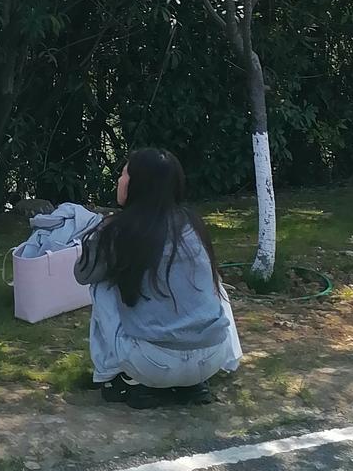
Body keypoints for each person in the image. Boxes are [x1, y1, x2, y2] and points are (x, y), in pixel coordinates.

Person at [75, 147, 241, 406]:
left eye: (123, 174)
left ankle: (114, 377)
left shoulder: (118, 230)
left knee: (102, 284)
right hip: (211, 357)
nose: (119, 180)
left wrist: (100, 235)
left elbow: (83, 274)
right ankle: (212, 371)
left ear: (138, 184)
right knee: (213, 281)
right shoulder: (193, 223)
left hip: (152, 363)